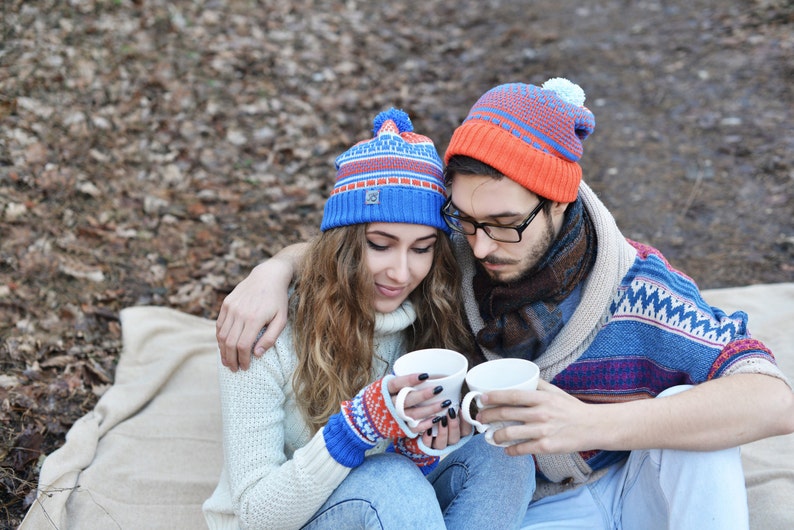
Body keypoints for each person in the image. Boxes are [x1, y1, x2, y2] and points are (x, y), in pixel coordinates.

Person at [215, 78, 794, 529]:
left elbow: (773, 400)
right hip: (535, 509)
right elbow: (369, 234)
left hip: (632, 490)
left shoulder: (641, 291)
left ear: (558, 203)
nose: (482, 245)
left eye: (504, 224)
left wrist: (592, 423)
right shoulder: (454, 260)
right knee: (480, 461)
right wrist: (275, 269)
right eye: (464, 222)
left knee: (695, 419)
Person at [204, 108, 534, 529]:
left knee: (503, 454)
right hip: (281, 519)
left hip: (385, 509)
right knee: (392, 480)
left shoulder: (432, 312)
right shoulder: (264, 327)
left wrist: (422, 450)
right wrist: (355, 429)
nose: (401, 273)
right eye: (380, 244)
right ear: (343, 243)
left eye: (421, 248)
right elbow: (254, 516)